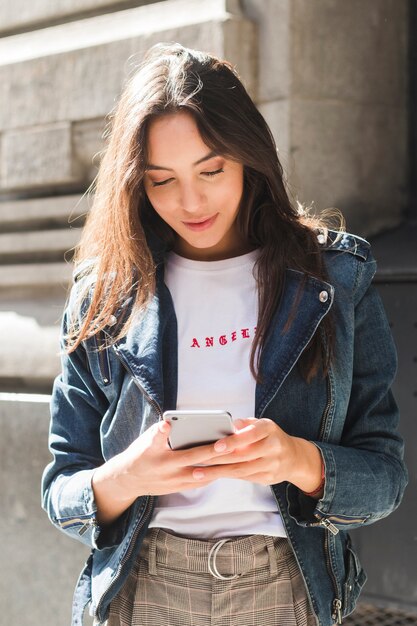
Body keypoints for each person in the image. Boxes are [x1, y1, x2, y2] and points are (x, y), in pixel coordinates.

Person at [41, 43, 407, 626]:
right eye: (161, 181)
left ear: (249, 159)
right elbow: (62, 490)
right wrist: (129, 475)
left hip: (282, 588)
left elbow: (384, 481)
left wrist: (295, 459)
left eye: (211, 170)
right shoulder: (104, 297)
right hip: (142, 589)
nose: (190, 201)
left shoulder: (333, 280)